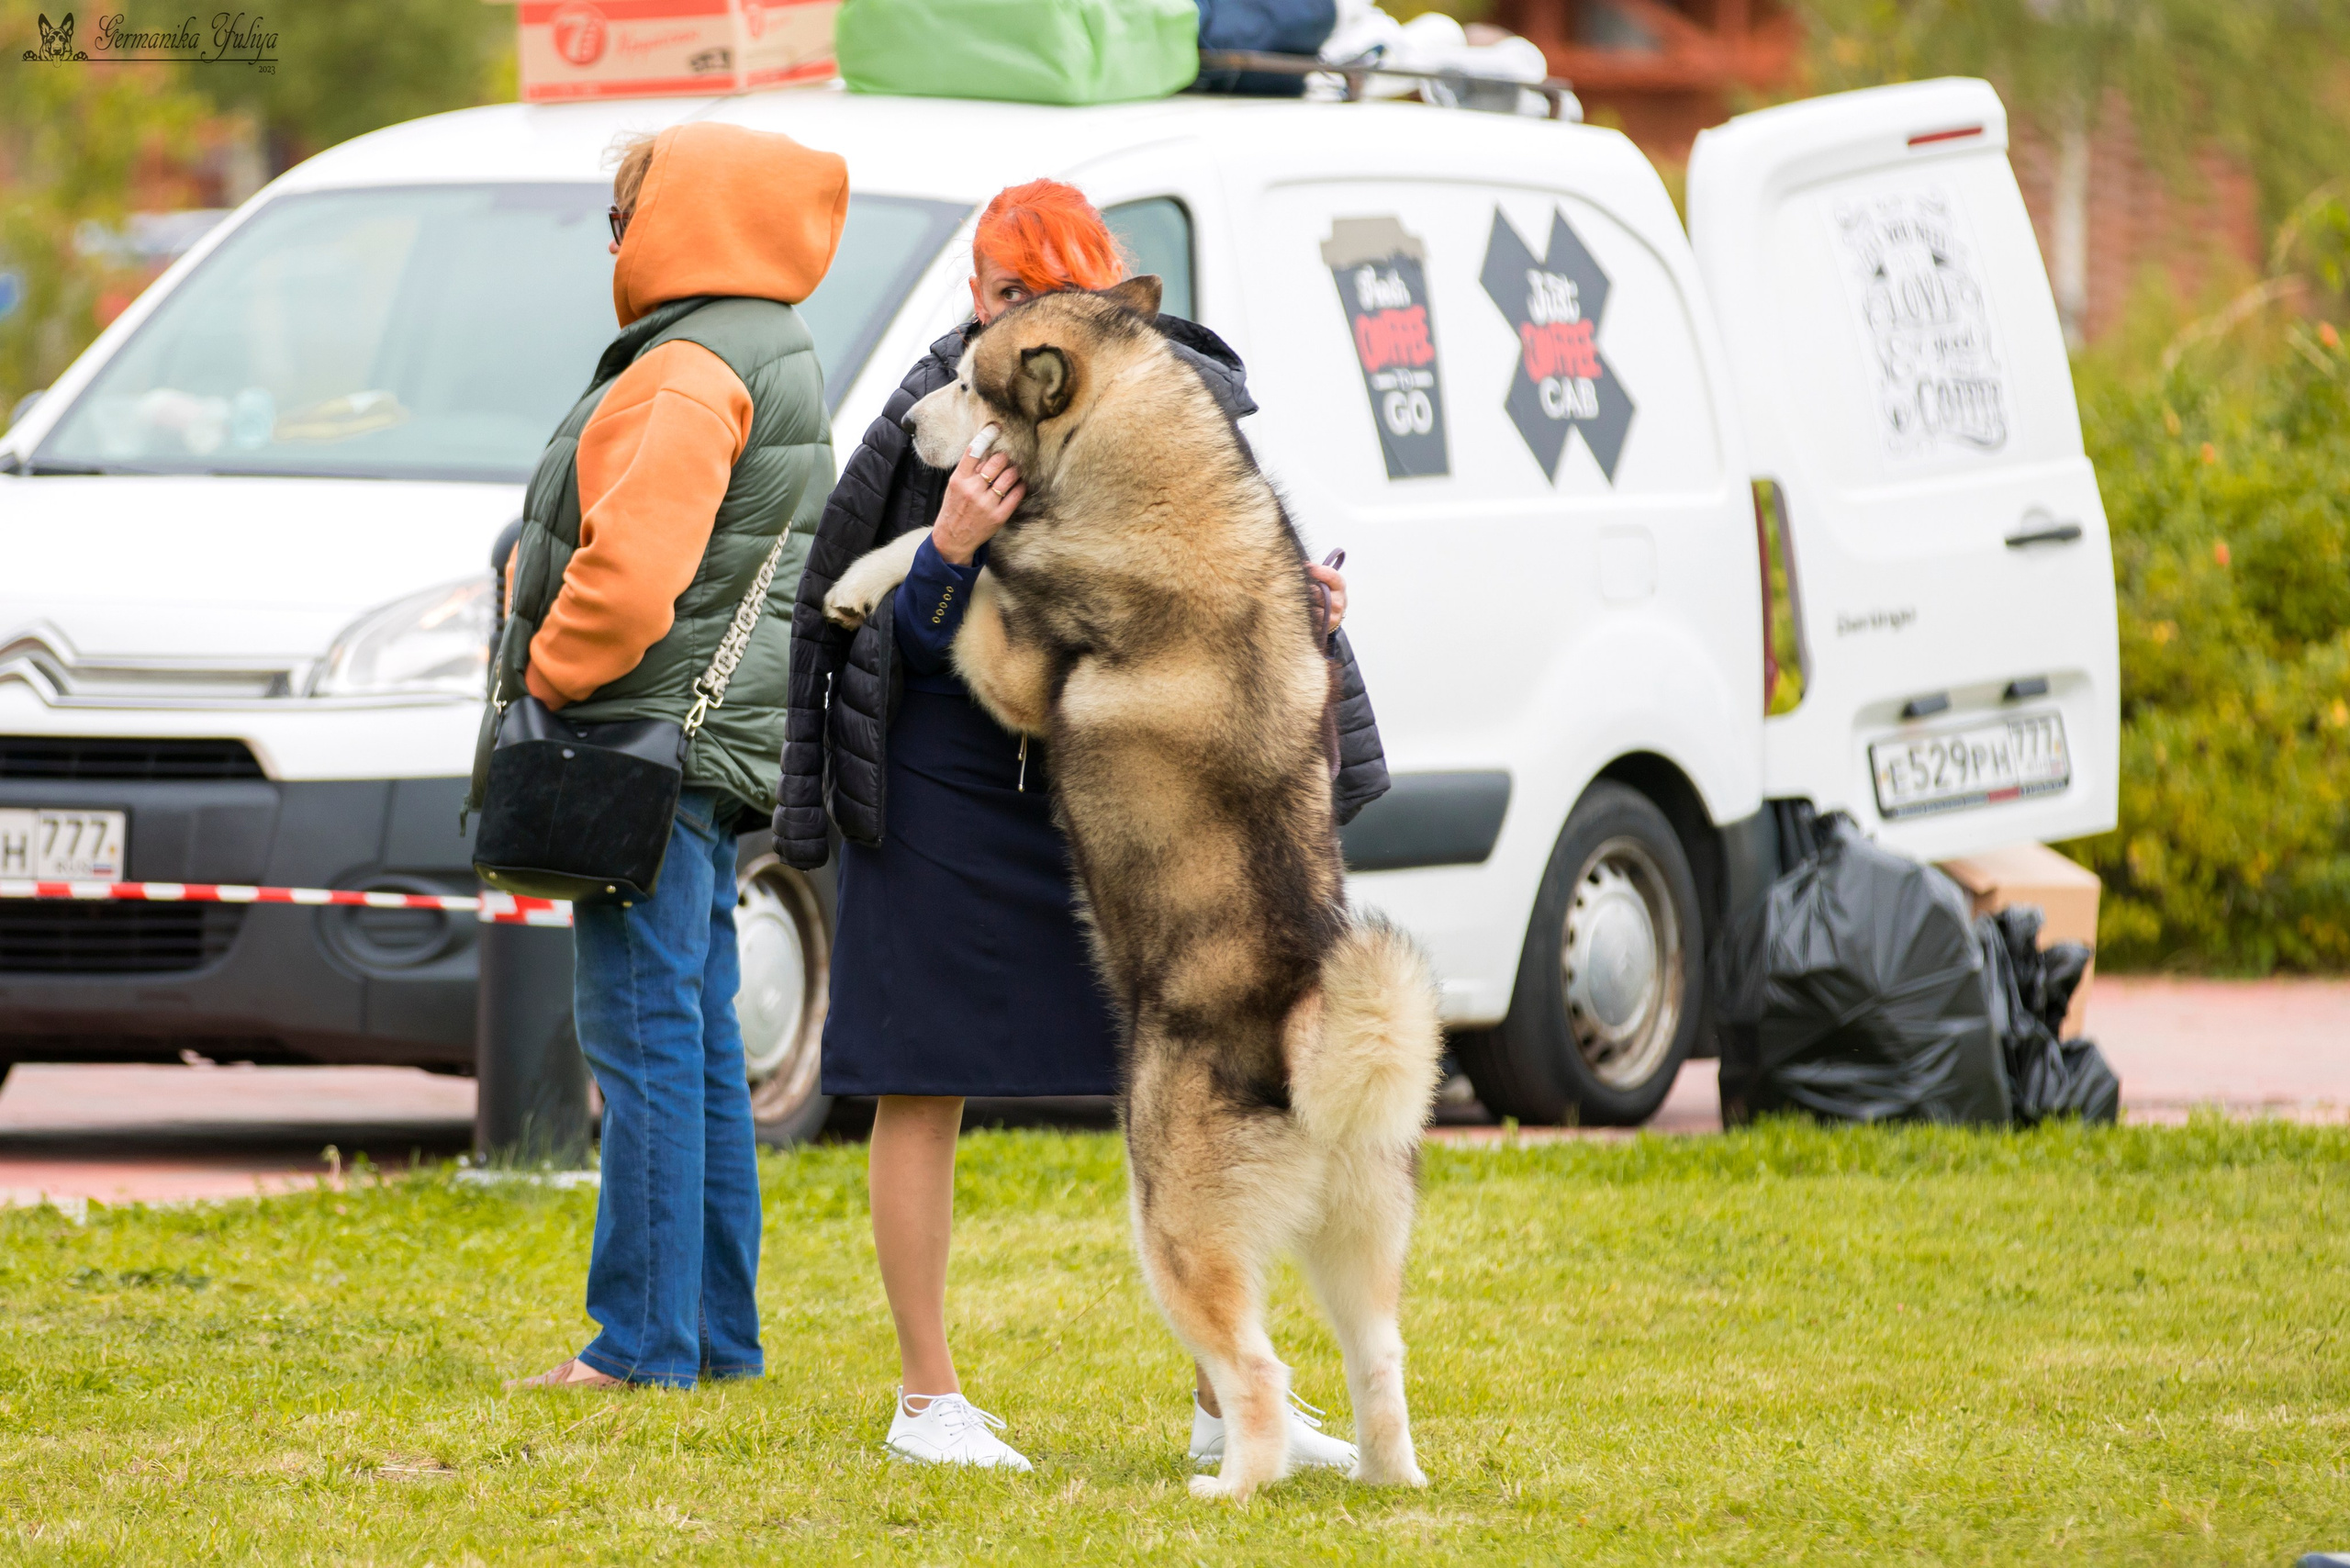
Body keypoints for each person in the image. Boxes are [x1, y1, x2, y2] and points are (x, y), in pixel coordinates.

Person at [775, 180, 1390, 1468]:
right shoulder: (937, 410)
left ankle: (1233, 1400)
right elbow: (876, 629)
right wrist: (944, 551)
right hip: (949, 796)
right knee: (916, 1076)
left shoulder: (1174, 398)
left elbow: (1225, 593)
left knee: (1209, 1077)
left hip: (1120, 808)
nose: (997, 323)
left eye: (1031, 298)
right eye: (994, 293)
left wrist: (1303, 604)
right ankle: (928, 1401)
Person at [483, 122, 847, 1391]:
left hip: (637, 753)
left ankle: (640, 1350)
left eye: (626, 215)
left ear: (685, 218)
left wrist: (544, 674)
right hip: (705, 756)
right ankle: (713, 1338)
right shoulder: (771, 347)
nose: (614, 242)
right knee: (692, 1052)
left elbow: (631, 583)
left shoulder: (689, 365)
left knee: (643, 1050)